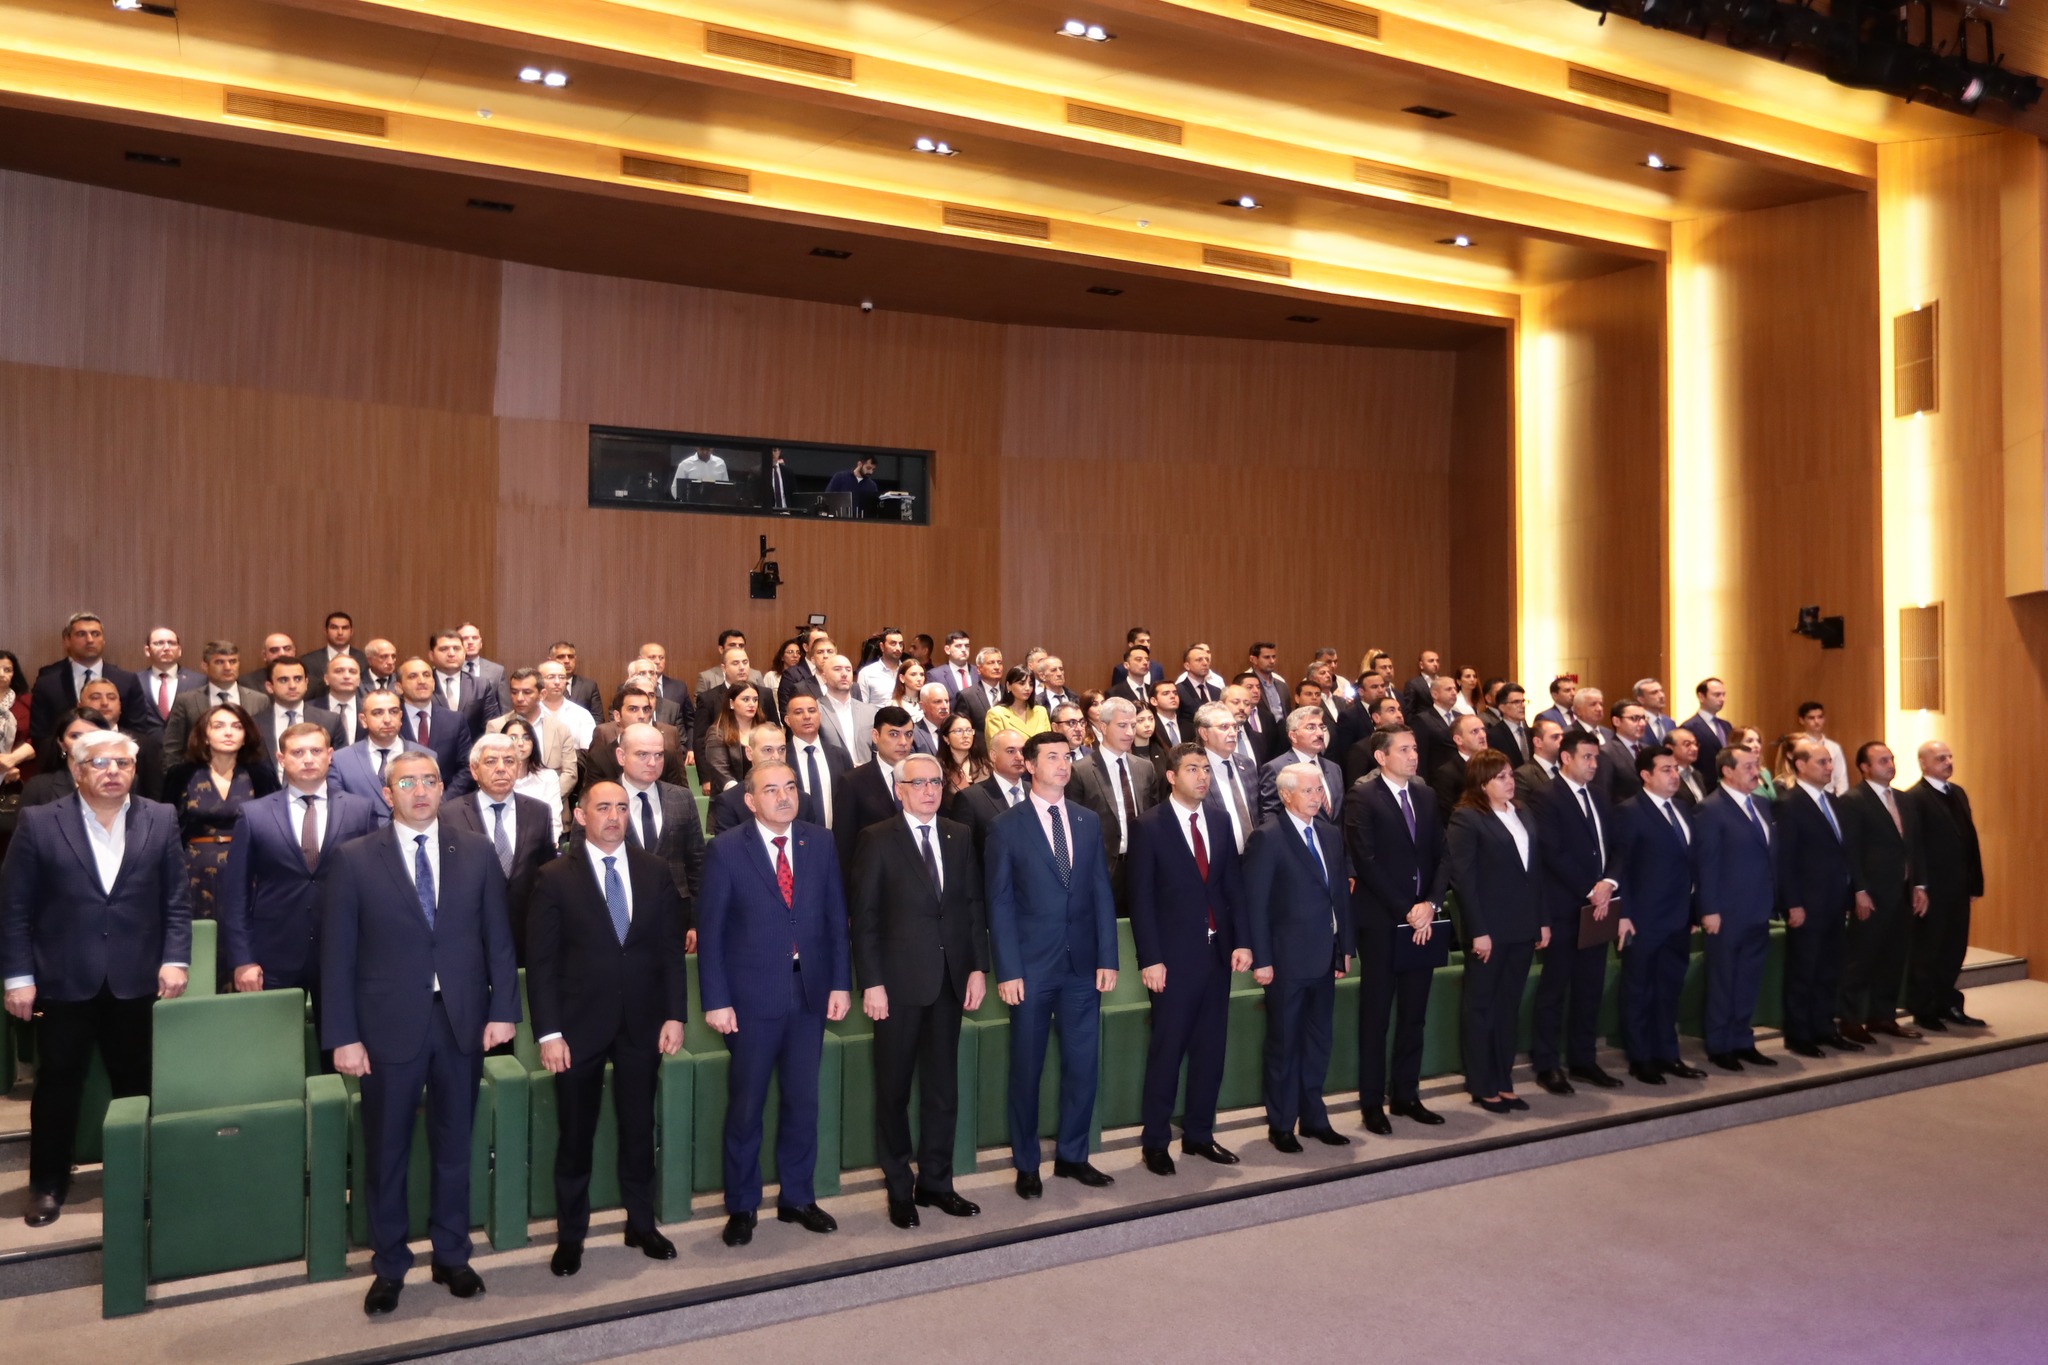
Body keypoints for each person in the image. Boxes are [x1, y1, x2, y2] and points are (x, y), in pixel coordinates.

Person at [321, 751, 519, 1316]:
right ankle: (389, 1265)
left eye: (430, 780)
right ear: (388, 795)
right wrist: (343, 1036)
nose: (421, 790)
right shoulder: (355, 859)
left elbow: (498, 939)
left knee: (456, 1145)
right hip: (386, 1026)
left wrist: (503, 1011)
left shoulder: (476, 850)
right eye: (407, 782)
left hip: (461, 1020)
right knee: (387, 1151)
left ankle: (452, 1254)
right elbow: (337, 956)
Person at [3, 728, 190, 1227]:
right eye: (100, 763)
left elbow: (176, 900)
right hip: (64, 978)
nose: (113, 772)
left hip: (138, 978)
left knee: (138, 1083)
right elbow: (15, 908)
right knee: (58, 1085)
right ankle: (47, 1184)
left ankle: (145, 1175)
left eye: (122, 764)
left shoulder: (160, 817)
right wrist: (18, 977)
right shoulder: (40, 822)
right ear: (76, 770)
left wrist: (177, 959)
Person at [527, 781, 689, 1276]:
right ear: (581, 816)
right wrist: (548, 1033)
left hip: (642, 1022)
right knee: (576, 1135)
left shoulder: (654, 869)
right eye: (603, 807)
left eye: (621, 807)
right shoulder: (554, 877)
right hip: (577, 1028)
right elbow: (542, 963)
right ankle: (570, 1236)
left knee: (639, 1129)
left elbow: (670, 951)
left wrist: (675, 1014)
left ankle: (641, 1224)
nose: (614, 816)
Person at [696, 763, 851, 1246]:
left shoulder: (819, 842)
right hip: (750, 1001)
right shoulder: (726, 850)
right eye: (771, 789)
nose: (784, 797)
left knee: (803, 1101)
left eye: (790, 787)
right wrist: (716, 1000)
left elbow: (835, 918)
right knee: (747, 1107)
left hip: (809, 995)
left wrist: (840, 984)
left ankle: (797, 1198)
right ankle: (742, 1205)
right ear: (750, 800)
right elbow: (711, 934)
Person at [848, 753, 988, 1227]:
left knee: (942, 1088)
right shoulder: (876, 838)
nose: (929, 790)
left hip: (950, 980)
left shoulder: (958, 834)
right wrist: (872, 983)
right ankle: (898, 1187)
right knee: (893, 1090)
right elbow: (865, 919)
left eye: (935, 782)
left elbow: (971, 905)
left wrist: (977, 968)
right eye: (919, 783)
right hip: (897, 985)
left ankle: (936, 1182)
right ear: (899, 790)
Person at [985, 731, 1117, 1198]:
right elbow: (999, 903)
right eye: (1053, 757)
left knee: (1083, 1066)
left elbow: (1100, 890)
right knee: (1027, 1069)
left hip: (1082, 966)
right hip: (1031, 969)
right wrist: (1008, 970)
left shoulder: (1086, 820)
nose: (1063, 764)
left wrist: (1108, 957)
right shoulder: (1006, 826)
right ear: (1029, 766)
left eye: (1068, 756)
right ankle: (1027, 1164)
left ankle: (1073, 1156)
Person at [1126, 744, 1248, 1174]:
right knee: (1168, 1050)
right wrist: (1150, 959)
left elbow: (1232, 887)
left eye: (1206, 769)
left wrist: (1243, 942)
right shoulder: (1149, 825)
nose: (1202, 776)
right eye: (1192, 769)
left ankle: (1199, 1134)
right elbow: (1140, 899)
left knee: (1210, 1050)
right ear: (1172, 777)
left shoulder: (1220, 819)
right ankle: (1156, 1142)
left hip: (1217, 954)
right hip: (1173, 960)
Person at [218, 721, 380, 1001]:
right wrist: (243, 959)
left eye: (316, 751)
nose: (308, 759)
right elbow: (236, 894)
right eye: (297, 752)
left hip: (343, 952)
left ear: (330, 755)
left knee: (341, 1031)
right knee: (274, 1031)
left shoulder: (360, 810)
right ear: (281, 759)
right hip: (273, 954)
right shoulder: (254, 815)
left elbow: (375, 888)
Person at [1344, 728, 1451, 1134]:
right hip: (1382, 922)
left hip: (1423, 920)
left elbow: (1442, 854)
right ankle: (1372, 1103)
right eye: (1404, 749)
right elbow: (1366, 860)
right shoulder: (1363, 797)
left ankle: (1407, 1094)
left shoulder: (1425, 795)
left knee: (1414, 1013)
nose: (1413, 755)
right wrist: (1407, 910)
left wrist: (1431, 904)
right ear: (1381, 757)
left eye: (1415, 748)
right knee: (1376, 1017)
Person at [1246, 762, 1354, 1151]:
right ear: (1286, 795)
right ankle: (1281, 1124)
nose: (1316, 797)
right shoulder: (1268, 837)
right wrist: (1262, 959)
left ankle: (1314, 1118)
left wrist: (1345, 948)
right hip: (1285, 961)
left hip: (1325, 956)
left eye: (1319, 790)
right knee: (1284, 1044)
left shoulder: (1329, 833)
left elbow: (1339, 895)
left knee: (1318, 1042)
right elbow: (1256, 904)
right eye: (1308, 791)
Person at [1447, 750, 1548, 1114]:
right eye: (1501, 776)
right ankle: (1481, 1083)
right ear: (1482, 782)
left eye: (1510, 775)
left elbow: (1535, 871)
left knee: (1508, 1007)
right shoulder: (1467, 817)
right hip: (1489, 929)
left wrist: (1542, 920)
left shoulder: (1521, 811)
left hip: (1522, 925)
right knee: (1482, 1007)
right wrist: (1478, 930)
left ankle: (1504, 1080)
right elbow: (1464, 880)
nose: (1510, 781)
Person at [1528, 729, 1623, 1094]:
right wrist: (1590, 889)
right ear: (1566, 758)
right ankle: (1547, 1064)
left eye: (1596, 757)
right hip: (1565, 907)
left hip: (1600, 906)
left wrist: (1609, 883)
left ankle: (1584, 1060)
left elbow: (1616, 845)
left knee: (1590, 986)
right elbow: (1552, 852)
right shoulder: (1546, 796)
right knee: (1555, 989)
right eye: (1587, 757)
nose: (1593, 764)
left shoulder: (1599, 795)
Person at [1612, 746, 1705, 1085]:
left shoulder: (1682, 808)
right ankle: (1641, 1058)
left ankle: (1668, 1053)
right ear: (1645, 775)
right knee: (1640, 989)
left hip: (1678, 917)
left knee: (1669, 988)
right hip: (1642, 918)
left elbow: (1690, 865)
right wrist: (1623, 914)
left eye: (1675, 768)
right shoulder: (1629, 811)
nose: (1674, 775)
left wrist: (1693, 911)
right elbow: (1620, 867)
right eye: (1666, 769)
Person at [1774, 736, 1869, 1058]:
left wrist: (1854, 892)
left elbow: (1845, 851)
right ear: (1800, 765)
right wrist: (1792, 903)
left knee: (1829, 968)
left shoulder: (1833, 801)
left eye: (1830, 761)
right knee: (1804, 970)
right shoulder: (1789, 803)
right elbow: (1785, 860)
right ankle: (1799, 1034)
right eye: (1822, 762)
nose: (1830, 767)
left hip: (1834, 900)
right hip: (1807, 902)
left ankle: (1824, 1027)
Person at [1694, 746, 1782, 1071]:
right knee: (1723, 979)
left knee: (1748, 978)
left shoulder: (1761, 803)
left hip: (1759, 907)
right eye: (1747, 766)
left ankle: (1743, 1039)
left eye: (1756, 765)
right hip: (1726, 911)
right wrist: (1709, 909)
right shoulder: (1710, 808)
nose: (1755, 771)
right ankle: (1720, 1045)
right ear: (1727, 771)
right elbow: (1706, 864)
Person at [1836, 742, 1927, 1042]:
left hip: (1902, 891)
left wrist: (1919, 885)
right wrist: (1859, 890)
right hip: (1872, 893)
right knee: (1861, 958)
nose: (1890, 765)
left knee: (1894, 957)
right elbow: (1851, 851)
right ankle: (1850, 1020)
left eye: (1891, 759)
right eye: (1882, 761)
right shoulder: (1853, 800)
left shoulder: (1904, 799)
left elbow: (1914, 846)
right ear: (1864, 767)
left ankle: (1883, 1017)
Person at [442, 733, 559, 965]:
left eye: (509, 761)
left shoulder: (539, 812)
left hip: (526, 934)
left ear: (518, 767)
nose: (501, 768)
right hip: (472, 935)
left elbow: (546, 875)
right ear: (474, 770)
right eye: (490, 761)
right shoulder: (448, 815)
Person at [165, 702, 280, 921]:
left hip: (248, 868)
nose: (228, 732)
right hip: (193, 869)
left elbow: (274, 827)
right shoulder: (182, 774)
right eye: (218, 726)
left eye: (237, 726)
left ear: (245, 736)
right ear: (205, 736)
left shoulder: (261, 774)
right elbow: (168, 828)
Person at [1903, 740, 1985, 1031]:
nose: (1948, 762)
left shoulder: (1958, 792)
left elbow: (1969, 840)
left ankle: (1947, 1003)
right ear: (1923, 763)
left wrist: (1974, 883)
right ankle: (1924, 1009)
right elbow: (1913, 847)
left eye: (1949, 757)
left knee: (1954, 948)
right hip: (1931, 889)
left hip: (1958, 886)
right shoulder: (1914, 798)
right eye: (1940, 758)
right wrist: (1919, 886)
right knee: (1928, 950)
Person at [611, 722, 707, 950]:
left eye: (659, 755)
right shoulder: (601, 801)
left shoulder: (681, 798)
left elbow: (697, 865)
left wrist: (695, 922)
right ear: (621, 756)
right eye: (642, 754)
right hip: (619, 920)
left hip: (675, 920)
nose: (652, 762)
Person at [1067, 697, 1162, 911]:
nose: (1129, 732)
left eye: (1133, 725)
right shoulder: (1080, 771)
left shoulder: (1145, 768)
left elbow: (1154, 818)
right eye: (1122, 725)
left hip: (1142, 864)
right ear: (1103, 727)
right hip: (1103, 868)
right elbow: (1075, 829)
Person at [26, 612, 147, 760]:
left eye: (95, 634)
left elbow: (138, 730)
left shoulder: (126, 680)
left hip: (116, 762)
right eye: (81, 634)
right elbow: (41, 736)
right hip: (62, 764)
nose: (90, 640)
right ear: (67, 640)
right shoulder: (47, 683)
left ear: (103, 640)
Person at [329, 690, 434, 823]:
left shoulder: (426, 757)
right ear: (363, 720)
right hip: (363, 834)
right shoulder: (341, 760)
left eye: (393, 712)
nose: (387, 720)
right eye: (378, 713)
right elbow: (338, 811)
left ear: (401, 717)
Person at [833, 706, 917, 871]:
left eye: (908, 734)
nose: (903, 742)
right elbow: (844, 845)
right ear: (875, 736)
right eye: (894, 734)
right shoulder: (853, 782)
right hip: (874, 875)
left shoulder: (922, 778)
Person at [158, 640, 266, 766]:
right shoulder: (186, 701)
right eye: (219, 662)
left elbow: (263, 746)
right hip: (198, 773)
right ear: (205, 666)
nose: (227, 667)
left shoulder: (259, 700)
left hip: (248, 773)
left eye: (232, 661)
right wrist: (176, 775)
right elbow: (172, 748)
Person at [487, 668, 578, 814]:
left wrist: (546, 800)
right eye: (514, 692)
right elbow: (488, 770)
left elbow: (570, 773)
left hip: (553, 810)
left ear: (542, 694)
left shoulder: (560, 729)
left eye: (527, 692)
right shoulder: (496, 727)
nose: (519, 698)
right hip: (505, 809)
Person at [710, 726, 823, 833]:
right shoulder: (730, 802)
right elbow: (729, 845)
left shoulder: (803, 800)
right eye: (768, 750)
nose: (776, 757)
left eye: (781, 749)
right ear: (749, 753)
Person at [395, 656, 476, 796]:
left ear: (433, 683)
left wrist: (444, 800)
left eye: (426, 675)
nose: (421, 681)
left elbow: (466, 767)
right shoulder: (391, 721)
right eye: (413, 676)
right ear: (399, 687)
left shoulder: (455, 720)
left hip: (447, 801)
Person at [1257, 706, 1345, 826]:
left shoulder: (1334, 768)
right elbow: (1270, 815)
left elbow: (1339, 815)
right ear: (1293, 736)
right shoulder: (1276, 768)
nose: (1320, 733)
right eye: (1311, 727)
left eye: (1321, 727)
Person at [949, 727, 1028, 857]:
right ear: (993, 756)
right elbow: (962, 852)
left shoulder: (1036, 792)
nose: (1019, 757)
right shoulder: (970, 798)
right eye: (1010, 751)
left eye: (1023, 751)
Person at [252, 656, 346, 762]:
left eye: (298, 679)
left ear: (306, 683)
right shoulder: (254, 724)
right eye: (283, 680)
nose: (292, 686)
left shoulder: (330, 721)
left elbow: (341, 763)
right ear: (269, 687)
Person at [1194, 701, 1257, 855]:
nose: (1232, 733)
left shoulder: (1247, 764)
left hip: (1255, 855)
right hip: (1217, 857)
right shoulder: (1194, 770)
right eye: (1224, 727)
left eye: (1234, 727)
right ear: (1204, 733)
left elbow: (1258, 812)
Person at [493, 715, 564, 843]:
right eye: (513, 738)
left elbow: (554, 821)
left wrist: (548, 846)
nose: (520, 743)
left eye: (526, 738)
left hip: (539, 845)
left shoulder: (548, 777)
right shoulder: (494, 778)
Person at [784, 693, 850, 832]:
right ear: (788, 720)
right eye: (798, 712)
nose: (807, 716)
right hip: (794, 835)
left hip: (835, 837)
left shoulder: (840, 755)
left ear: (819, 716)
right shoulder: (782, 758)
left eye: (812, 710)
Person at [136, 626, 203, 734]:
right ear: (147, 650)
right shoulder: (135, 681)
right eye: (159, 643)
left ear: (179, 650)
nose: (166, 648)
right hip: (146, 743)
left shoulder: (199, 682)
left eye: (171, 643)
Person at [700, 682, 764, 795]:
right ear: (731, 703)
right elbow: (720, 770)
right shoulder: (717, 733)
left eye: (755, 700)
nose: (752, 704)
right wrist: (740, 794)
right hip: (730, 797)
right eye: (746, 699)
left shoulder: (766, 730)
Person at [1426, 713, 1490, 819]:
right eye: (1475, 731)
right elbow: (1449, 816)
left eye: (1483, 730)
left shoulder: (1495, 765)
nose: (1483, 735)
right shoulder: (1446, 774)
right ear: (1458, 740)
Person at [301, 611, 367, 699]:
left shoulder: (364, 660)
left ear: (351, 632)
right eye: (334, 628)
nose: (340, 632)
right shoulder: (308, 661)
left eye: (345, 628)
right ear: (326, 631)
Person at [537, 657, 599, 748]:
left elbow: (587, 751)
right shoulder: (530, 712)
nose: (557, 682)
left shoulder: (582, 714)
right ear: (539, 681)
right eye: (551, 677)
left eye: (562, 677)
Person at [1683, 677, 1731, 789]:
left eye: (1723, 695)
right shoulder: (1689, 727)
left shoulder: (1726, 725)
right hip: (1705, 786)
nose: (1722, 699)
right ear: (1701, 697)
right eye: (1717, 695)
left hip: (1727, 785)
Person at [984, 665, 1049, 747]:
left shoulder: (1041, 711)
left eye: (1031, 684)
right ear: (1009, 686)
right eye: (1022, 683)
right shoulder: (996, 714)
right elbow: (996, 749)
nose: (1027, 688)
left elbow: (1049, 744)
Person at [1795, 702, 1850, 796]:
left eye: (1820, 717)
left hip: (1829, 796)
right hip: (1803, 796)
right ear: (1801, 720)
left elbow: (1841, 779)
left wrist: (1841, 801)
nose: (1816, 721)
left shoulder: (1834, 747)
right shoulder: (1797, 746)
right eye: (1811, 718)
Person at [1601, 702, 1651, 804]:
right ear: (1616, 721)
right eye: (1634, 718)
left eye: (1643, 718)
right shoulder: (1605, 752)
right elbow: (1604, 792)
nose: (1642, 723)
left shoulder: (1649, 750)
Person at [936, 711, 990, 804]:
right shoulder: (939, 768)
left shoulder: (984, 764)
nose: (965, 736)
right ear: (946, 738)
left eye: (969, 730)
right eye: (958, 731)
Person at [952, 647, 1009, 734]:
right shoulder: (967, 696)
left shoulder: (1009, 693)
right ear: (979, 669)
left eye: (999, 663)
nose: (997, 667)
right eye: (991, 663)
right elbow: (961, 728)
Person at [1485, 682, 1532, 769]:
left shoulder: (1531, 732)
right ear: (1502, 707)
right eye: (1516, 702)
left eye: (1523, 701)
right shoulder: (1493, 736)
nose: (1522, 706)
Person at [856, 628, 906, 704]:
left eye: (901, 644)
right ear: (882, 647)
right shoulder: (866, 673)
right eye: (893, 644)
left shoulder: (908, 671)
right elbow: (861, 706)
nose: (898, 648)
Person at [824, 453, 881, 517]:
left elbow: (873, 508)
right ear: (860, 464)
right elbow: (827, 497)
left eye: (873, 469)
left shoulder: (872, 486)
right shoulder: (840, 477)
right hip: (839, 518)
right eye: (868, 468)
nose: (870, 472)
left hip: (862, 521)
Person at [1399, 649, 1442, 722]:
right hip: (1423, 723)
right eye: (1431, 661)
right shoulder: (1413, 684)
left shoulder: (1443, 682)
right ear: (1421, 665)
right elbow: (1409, 711)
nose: (1435, 664)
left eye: (1437, 661)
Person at [911, 682, 951, 757]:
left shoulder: (955, 730)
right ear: (922, 706)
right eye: (938, 702)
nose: (945, 706)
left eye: (947, 701)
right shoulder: (913, 733)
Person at [1633, 678, 1677, 744]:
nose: (1661, 696)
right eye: (1654, 692)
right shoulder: (1634, 722)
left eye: (1662, 691)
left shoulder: (1669, 722)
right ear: (1641, 699)